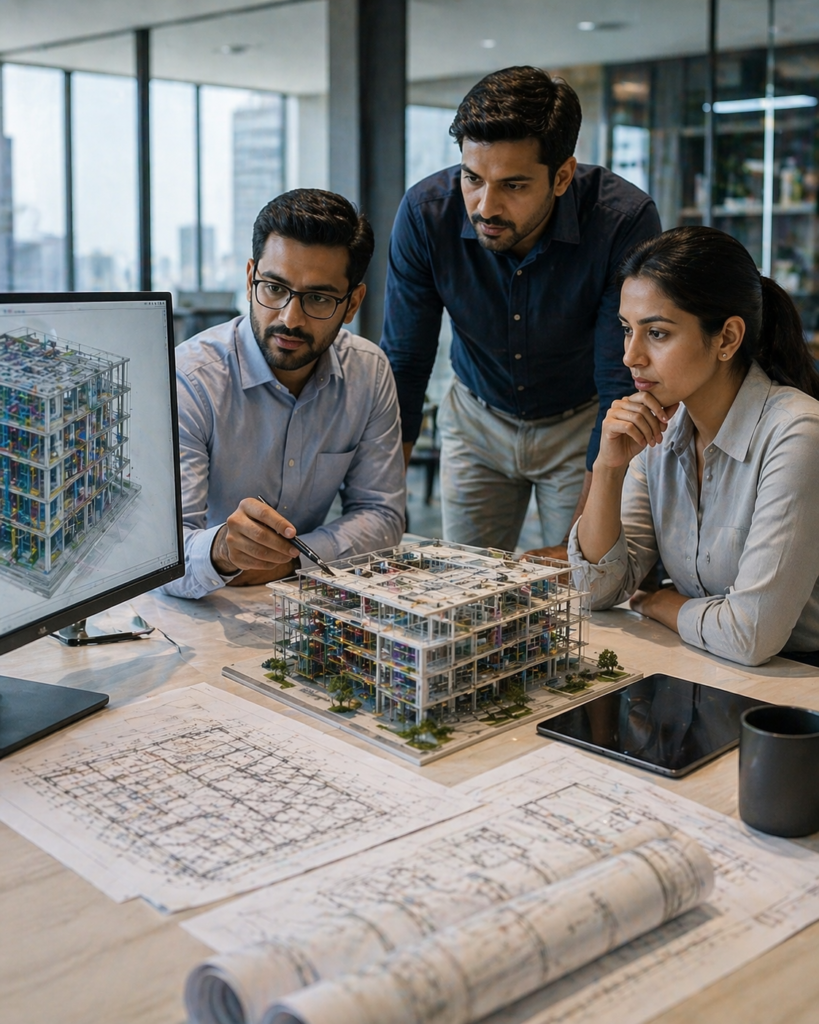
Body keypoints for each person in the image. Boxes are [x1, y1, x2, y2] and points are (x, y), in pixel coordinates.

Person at [381, 65, 661, 556]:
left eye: (513, 185)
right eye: (472, 178)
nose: (485, 206)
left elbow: (621, 378)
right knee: (467, 591)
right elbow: (405, 364)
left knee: (583, 592)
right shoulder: (426, 215)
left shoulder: (622, 221)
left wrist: (579, 551)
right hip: (476, 421)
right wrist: (383, 504)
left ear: (562, 176)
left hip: (581, 425)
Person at [569, 225, 819, 667]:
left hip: (795, 688)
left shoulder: (797, 433)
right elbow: (595, 592)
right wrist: (608, 468)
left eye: (658, 333)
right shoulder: (660, 428)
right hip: (705, 664)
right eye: (627, 329)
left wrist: (658, 603)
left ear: (726, 338)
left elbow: (751, 634)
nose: (631, 356)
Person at [162, 189, 405, 600]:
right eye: (274, 288)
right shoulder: (191, 379)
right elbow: (164, 559)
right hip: (202, 602)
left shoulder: (368, 372)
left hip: (304, 595)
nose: (290, 319)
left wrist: (295, 560)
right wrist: (222, 550)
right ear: (250, 277)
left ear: (352, 304)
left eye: (318, 298)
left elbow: (382, 516)